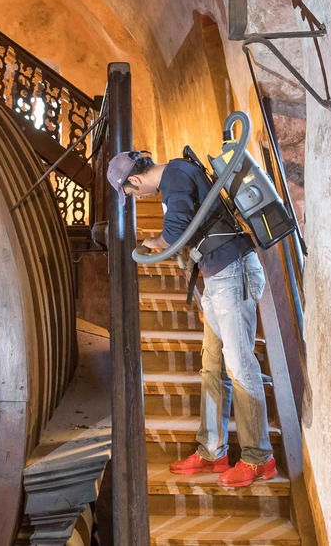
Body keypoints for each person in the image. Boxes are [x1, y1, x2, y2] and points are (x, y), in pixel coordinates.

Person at [106, 149, 275, 488]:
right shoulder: (175, 177)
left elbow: (176, 231)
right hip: (217, 274)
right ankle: (213, 450)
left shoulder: (176, 176)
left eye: (131, 194)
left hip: (232, 270)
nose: (137, 197)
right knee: (212, 365)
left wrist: (153, 242)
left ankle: (259, 458)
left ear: (135, 181)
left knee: (240, 365)